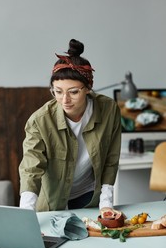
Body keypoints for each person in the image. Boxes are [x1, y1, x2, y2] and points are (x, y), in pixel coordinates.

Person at [19, 39, 121, 212]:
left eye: (73, 92)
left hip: (90, 198)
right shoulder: (39, 121)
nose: (64, 100)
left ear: (89, 87)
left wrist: (106, 203)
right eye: (57, 91)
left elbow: (111, 159)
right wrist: (25, 214)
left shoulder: (108, 110)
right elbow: (31, 168)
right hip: (53, 202)